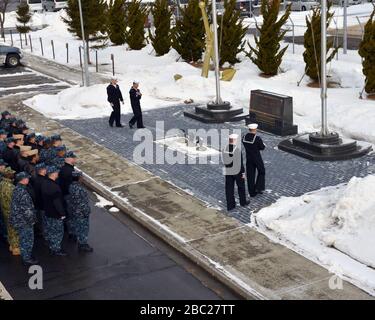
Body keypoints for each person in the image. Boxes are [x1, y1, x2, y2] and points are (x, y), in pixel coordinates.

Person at [9, 172, 37, 266]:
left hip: (19, 220)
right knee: (27, 239)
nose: (28, 179)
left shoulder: (17, 189)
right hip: (24, 221)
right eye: (27, 178)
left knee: (23, 238)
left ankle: (26, 256)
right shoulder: (23, 192)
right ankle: (27, 258)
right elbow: (27, 210)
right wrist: (32, 221)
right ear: (23, 179)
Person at [41, 166, 67, 256]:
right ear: (53, 174)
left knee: (50, 229)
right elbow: (57, 203)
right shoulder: (54, 187)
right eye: (56, 172)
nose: (58, 173)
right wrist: (62, 213)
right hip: (55, 213)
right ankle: (56, 249)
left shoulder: (44, 183)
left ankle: (51, 245)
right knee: (57, 232)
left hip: (47, 211)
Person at [68, 171, 93, 253]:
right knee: (83, 228)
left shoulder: (71, 186)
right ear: (79, 178)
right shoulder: (81, 189)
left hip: (73, 210)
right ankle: (83, 244)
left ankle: (74, 236)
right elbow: (83, 203)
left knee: (75, 225)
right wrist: (86, 212)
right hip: (81, 213)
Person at [222, 134, 249, 211]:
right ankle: (243, 202)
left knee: (229, 188)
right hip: (237, 171)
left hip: (228, 170)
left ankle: (230, 205)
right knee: (241, 186)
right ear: (235, 140)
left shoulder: (224, 149)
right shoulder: (237, 150)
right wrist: (243, 173)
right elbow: (239, 164)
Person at [242, 123, 266, 197]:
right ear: (255, 129)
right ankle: (259, 188)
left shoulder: (244, 137)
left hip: (249, 158)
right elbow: (262, 147)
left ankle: (252, 192)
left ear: (249, 129)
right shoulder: (257, 138)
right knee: (262, 171)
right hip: (257, 158)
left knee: (250, 175)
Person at [0, 167, 20, 255]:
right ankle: (16, 248)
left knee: (9, 229)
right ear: (9, 175)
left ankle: (12, 245)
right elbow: (15, 200)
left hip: (4, 210)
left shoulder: (1, 183)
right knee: (15, 230)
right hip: (12, 211)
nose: (13, 174)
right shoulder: (11, 187)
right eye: (12, 173)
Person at [31, 163, 48, 238]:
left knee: (41, 220)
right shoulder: (43, 181)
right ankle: (46, 235)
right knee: (44, 221)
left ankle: (42, 232)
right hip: (43, 205)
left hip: (38, 204)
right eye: (45, 168)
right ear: (41, 170)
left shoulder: (37, 179)